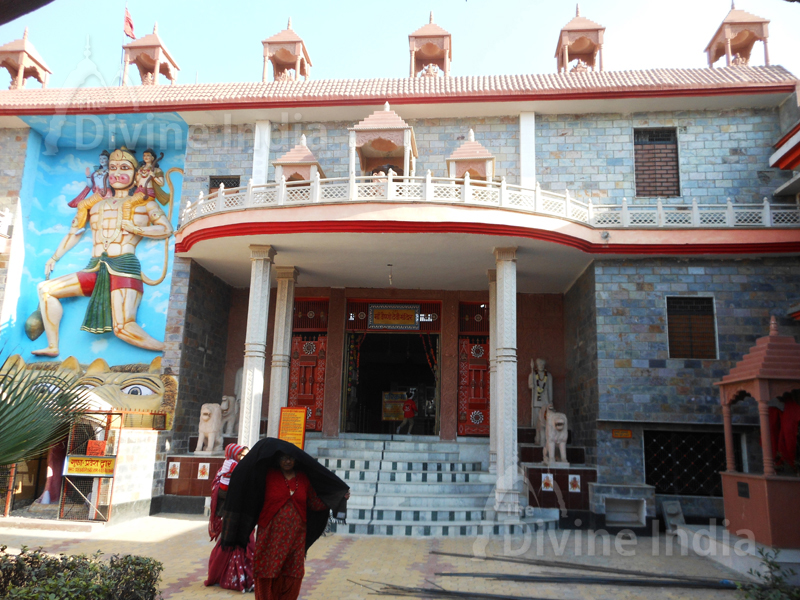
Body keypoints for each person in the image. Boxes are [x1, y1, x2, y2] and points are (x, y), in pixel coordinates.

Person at [32, 146, 173, 356]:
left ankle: (169, 349)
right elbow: (75, 233)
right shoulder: (93, 205)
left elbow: (166, 229)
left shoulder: (145, 203)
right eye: (113, 168)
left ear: (136, 174)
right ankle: (53, 347)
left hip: (124, 267)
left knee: (123, 328)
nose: (117, 173)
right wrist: (54, 257)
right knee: (45, 289)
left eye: (124, 167)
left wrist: (136, 229)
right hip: (94, 267)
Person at [221, 438, 350, 600]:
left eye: (291, 458)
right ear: (277, 459)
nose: (287, 461)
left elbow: (314, 503)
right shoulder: (267, 476)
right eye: (283, 458)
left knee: (293, 572)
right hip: (270, 535)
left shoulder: (303, 478)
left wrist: (338, 497)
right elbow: (250, 492)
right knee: (267, 570)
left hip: (296, 536)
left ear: (296, 460)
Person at [205, 443, 254, 591]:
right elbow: (220, 491)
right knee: (228, 547)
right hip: (231, 517)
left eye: (246, 455)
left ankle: (246, 579)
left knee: (248, 546)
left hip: (245, 516)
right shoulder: (227, 470)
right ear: (233, 455)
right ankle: (228, 578)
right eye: (241, 455)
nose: (244, 458)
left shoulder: (247, 469)